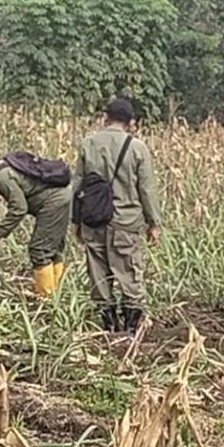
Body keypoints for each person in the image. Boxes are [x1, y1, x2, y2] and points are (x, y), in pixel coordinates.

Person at [73, 98, 161, 333]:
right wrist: (153, 222)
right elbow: (146, 188)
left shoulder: (88, 143)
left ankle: (108, 325)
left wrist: (76, 221)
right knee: (129, 270)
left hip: (93, 219)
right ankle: (130, 327)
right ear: (131, 122)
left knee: (98, 270)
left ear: (105, 117)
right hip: (125, 221)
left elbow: (77, 185)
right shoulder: (137, 148)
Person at [0, 151, 71, 297]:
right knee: (52, 248)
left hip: (54, 202)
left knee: (39, 250)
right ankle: (55, 291)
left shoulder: (1, 178)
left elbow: (19, 208)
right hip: (61, 197)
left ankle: (46, 297)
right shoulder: (0, 169)